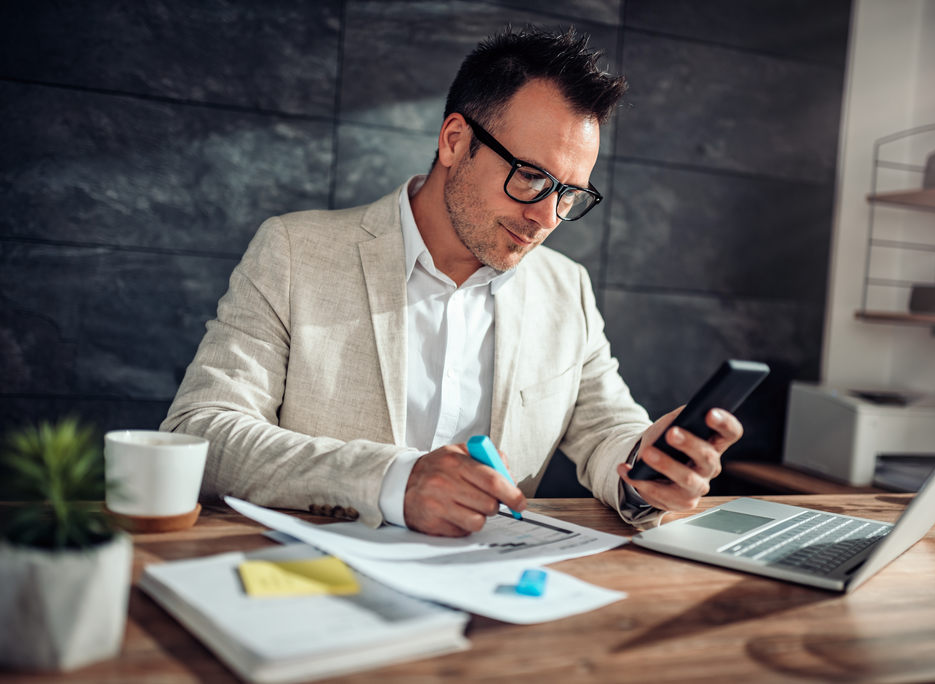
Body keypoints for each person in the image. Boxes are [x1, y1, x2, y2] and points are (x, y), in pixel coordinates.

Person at [161, 26, 743, 536]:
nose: (547, 217)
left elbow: (607, 431)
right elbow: (203, 434)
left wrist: (648, 470)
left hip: (490, 603)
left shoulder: (567, 289)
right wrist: (393, 481)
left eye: (569, 194)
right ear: (455, 141)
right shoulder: (294, 252)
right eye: (531, 177)